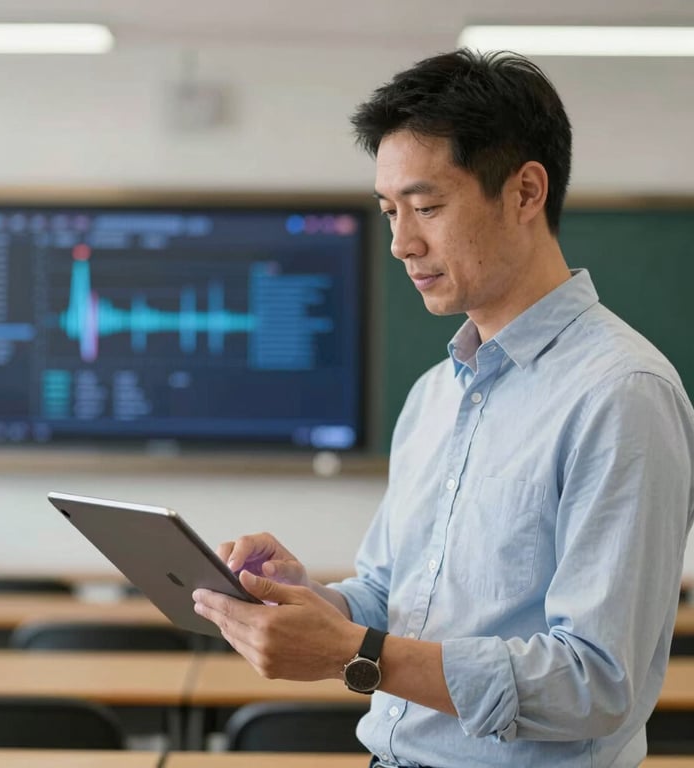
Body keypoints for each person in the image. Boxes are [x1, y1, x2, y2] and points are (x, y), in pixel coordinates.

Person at [192, 48, 694, 767]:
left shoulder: (623, 395)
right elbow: (394, 597)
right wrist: (310, 605)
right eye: (390, 211)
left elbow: (598, 684)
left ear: (525, 193)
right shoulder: (436, 393)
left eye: (427, 207)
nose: (401, 243)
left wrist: (359, 653)